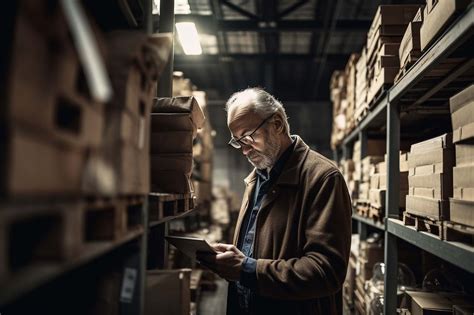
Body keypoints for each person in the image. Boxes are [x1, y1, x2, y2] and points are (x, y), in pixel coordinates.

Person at [198, 88, 352, 315]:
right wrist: (236, 255)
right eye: (237, 142)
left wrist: (246, 269)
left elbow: (326, 270)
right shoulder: (256, 178)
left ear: (277, 124)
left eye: (248, 137)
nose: (244, 150)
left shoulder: (323, 178)